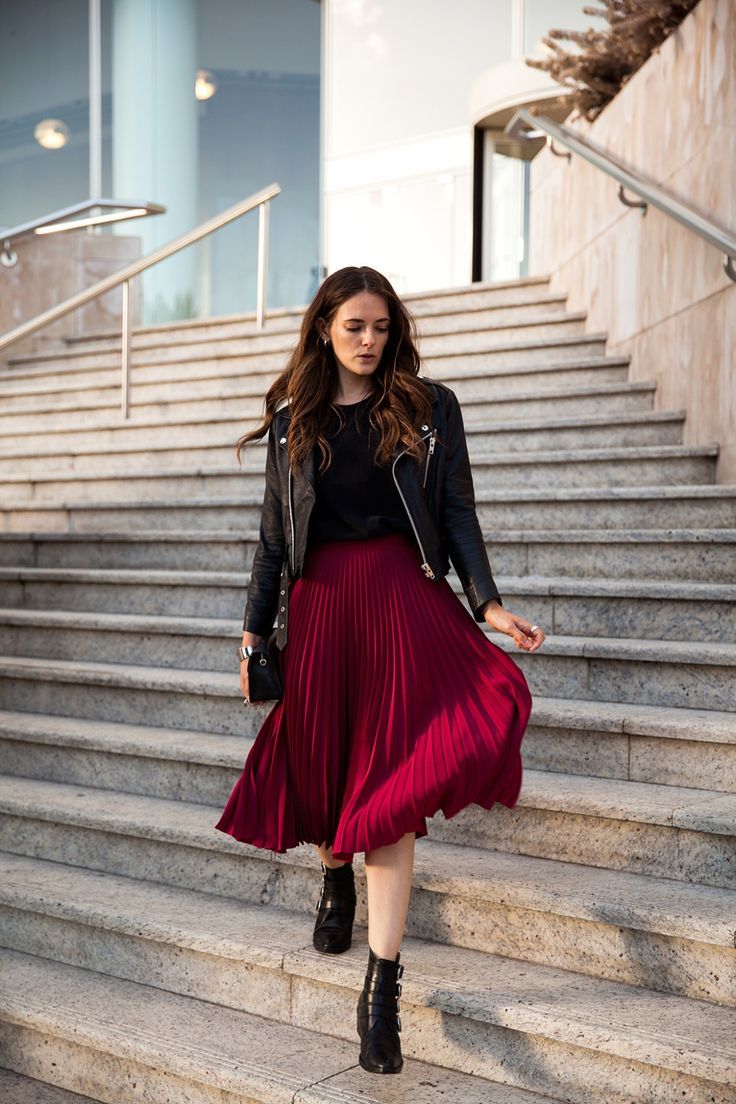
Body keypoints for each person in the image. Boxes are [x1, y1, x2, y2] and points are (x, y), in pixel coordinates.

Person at [215, 265, 544, 1075]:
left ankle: (382, 988)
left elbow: (457, 509)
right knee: (327, 781)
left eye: (382, 328)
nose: (370, 342)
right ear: (325, 327)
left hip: (402, 603)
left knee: (390, 796)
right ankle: (334, 883)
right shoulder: (296, 419)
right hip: (322, 608)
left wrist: (487, 603)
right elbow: (271, 538)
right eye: (355, 327)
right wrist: (255, 630)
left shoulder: (429, 409)